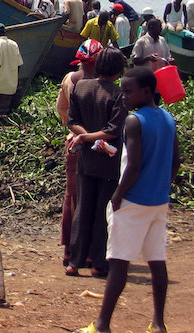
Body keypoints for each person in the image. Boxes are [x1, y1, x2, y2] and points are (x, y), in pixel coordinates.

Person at [78, 67, 179, 333]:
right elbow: (175, 162)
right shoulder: (168, 119)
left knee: (119, 262)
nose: (124, 96)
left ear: (147, 91)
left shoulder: (134, 121)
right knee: (157, 261)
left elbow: (132, 166)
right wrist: (161, 187)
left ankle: (102, 325)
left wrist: (118, 195)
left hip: (133, 201)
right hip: (158, 202)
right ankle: (158, 323)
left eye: (128, 91)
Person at [65, 47, 128, 279]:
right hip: (109, 161)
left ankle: (74, 262)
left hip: (86, 159)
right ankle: (98, 264)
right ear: (119, 70)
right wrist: (94, 138)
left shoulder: (81, 87)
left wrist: (84, 136)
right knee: (104, 210)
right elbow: (112, 131)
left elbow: (72, 121)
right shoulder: (119, 94)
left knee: (83, 208)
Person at [56, 39, 104, 268]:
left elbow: (61, 109)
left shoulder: (69, 79)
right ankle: (88, 253)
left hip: (73, 142)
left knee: (71, 196)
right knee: (93, 197)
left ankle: (69, 250)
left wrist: (71, 128)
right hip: (97, 144)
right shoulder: (100, 83)